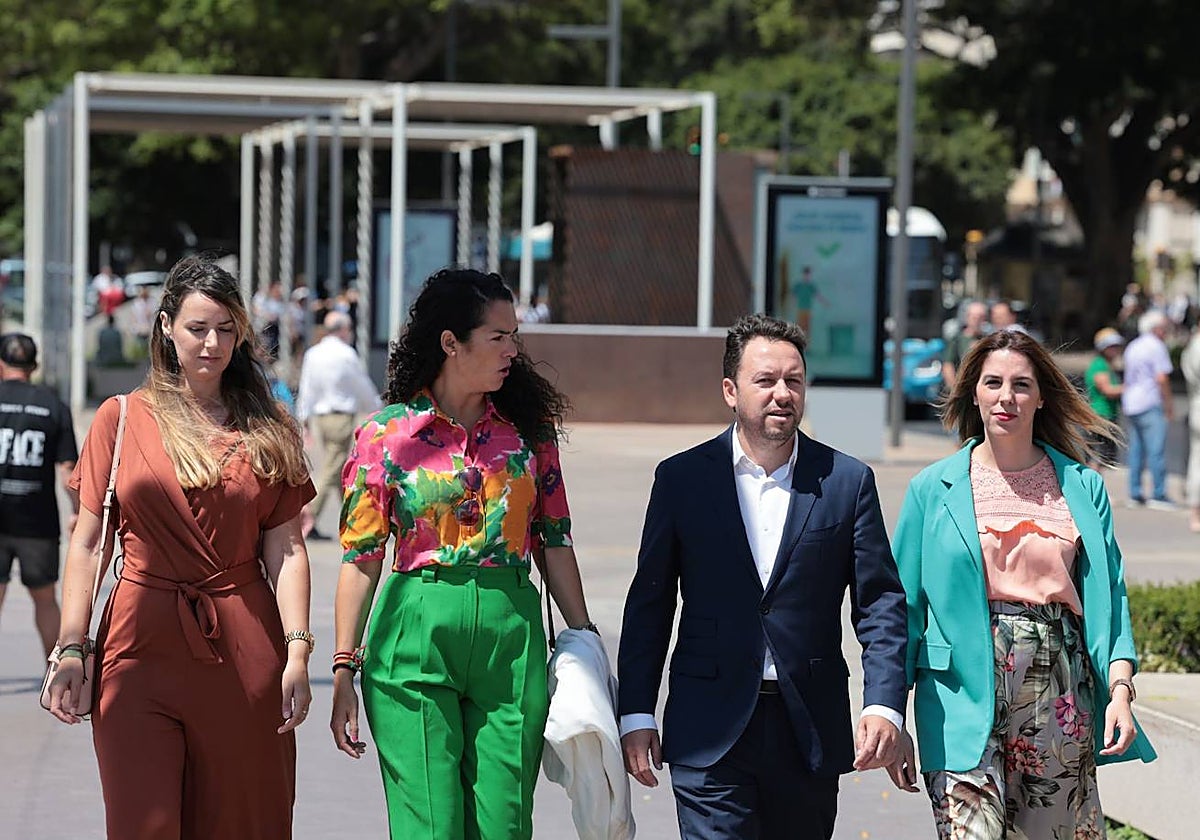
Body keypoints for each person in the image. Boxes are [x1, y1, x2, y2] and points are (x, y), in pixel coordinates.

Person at [45, 256, 316, 838]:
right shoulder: (119, 419)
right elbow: (88, 543)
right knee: (144, 821)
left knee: (242, 822)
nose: (212, 343)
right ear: (166, 326)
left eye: (225, 328)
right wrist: (71, 646)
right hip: (137, 648)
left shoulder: (271, 425)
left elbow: (288, 549)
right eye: (198, 328)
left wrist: (297, 650)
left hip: (245, 647)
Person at [617, 314, 907, 840]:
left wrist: (884, 702)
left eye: (793, 381)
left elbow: (880, 603)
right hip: (710, 730)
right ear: (731, 391)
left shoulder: (847, 481)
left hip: (808, 731)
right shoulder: (682, 479)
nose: (782, 394)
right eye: (766, 381)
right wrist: (636, 712)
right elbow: (650, 606)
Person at [330, 268, 595, 840]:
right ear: (451, 342)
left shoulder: (530, 434)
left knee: (503, 827)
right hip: (413, 635)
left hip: (511, 636)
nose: (512, 351)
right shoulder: (384, 436)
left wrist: (585, 641)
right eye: (498, 337)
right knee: (432, 828)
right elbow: (361, 555)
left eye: (514, 336)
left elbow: (555, 539)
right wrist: (344, 665)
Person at [887, 328, 1156, 838]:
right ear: (974, 393)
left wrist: (1120, 689)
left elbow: (1109, 601)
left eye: (1021, 385)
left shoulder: (1082, 486)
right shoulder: (931, 489)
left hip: (1058, 691)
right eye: (992, 383)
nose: (1005, 397)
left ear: (1041, 398)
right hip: (958, 694)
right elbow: (904, 611)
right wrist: (889, 711)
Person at [0, 333, 79, 658]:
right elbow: (68, 470)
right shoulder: (53, 407)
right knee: (45, 599)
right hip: (38, 521)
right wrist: (77, 512)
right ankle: (55, 668)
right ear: (34, 366)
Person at [295, 310, 381, 540]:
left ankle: (358, 517)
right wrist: (378, 409)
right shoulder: (346, 354)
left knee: (340, 468)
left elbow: (307, 386)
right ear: (344, 329)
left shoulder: (313, 353)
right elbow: (362, 385)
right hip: (341, 417)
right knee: (333, 470)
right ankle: (309, 514)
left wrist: (303, 417)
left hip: (320, 418)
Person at [1122, 310, 1176, 509]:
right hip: (1149, 401)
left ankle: (1135, 492)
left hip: (1132, 402)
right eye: (1164, 328)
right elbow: (1162, 378)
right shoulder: (1156, 346)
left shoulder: (1133, 346)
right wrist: (1169, 404)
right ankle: (1158, 493)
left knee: (1136, 449)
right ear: (1156, 329)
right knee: (1156, 449)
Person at [1084, 327, 1126, 469]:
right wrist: (1130, 387)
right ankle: (1090, 490)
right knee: (1097, 458)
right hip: (1099, 416)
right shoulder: (1099, 365)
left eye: (1116, 346)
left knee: (1102, 458)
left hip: (1105, 415)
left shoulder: (1107, 365)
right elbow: (1107, 389)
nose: (1115, 349)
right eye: (1111, 346)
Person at [942, 300, 989, 391]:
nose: (977, 320)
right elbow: (948, 365)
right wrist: (954, 389)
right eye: (974, 317)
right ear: (967, 317)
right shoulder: (957, 339)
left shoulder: (987, 339)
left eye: (980, 317)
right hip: (961, 388)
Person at [1181, 325, 1200, 532]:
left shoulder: (1191, 347)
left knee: (1196, 461)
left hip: (1196, 405)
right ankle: (1195, 511)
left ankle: (1195, 511)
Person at [791, 265, 829, 336]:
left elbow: (818, 296)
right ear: (803, 274)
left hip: (808, 309)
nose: (807, 276)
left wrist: (825, 303)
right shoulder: (799, 285)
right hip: (801, 309)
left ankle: (806, 344)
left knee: (807, 328)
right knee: (800, 327)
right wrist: (793, 305)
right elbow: (793, 296)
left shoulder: (811, 286)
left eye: (808, 274)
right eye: (806, 274)